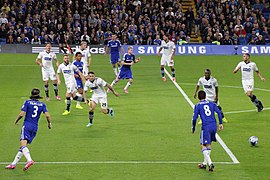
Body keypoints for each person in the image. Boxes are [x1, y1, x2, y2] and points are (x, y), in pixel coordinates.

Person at [5, 88, 52, 171]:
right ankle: (13, 164)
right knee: (23, 146)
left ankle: (29, 160)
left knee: (23, 145)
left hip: (27, 125)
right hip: (35, 127)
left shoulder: (27, 102)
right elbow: (47, 115)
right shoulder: (42, 104)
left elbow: (21, 114)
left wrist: (16, 121)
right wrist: (49, 123)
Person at [192, 90, 223, 172]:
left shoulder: (198, 105)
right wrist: (220, 123)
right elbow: (219, 112)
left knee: (202, 145)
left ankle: (210, 163)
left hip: (206, 127)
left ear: (198, 97)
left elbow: (195, 118)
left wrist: (193, 127)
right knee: (208, 144)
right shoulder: (212, 103)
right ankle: (204, 164)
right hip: (214, 126)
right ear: (205, 96)